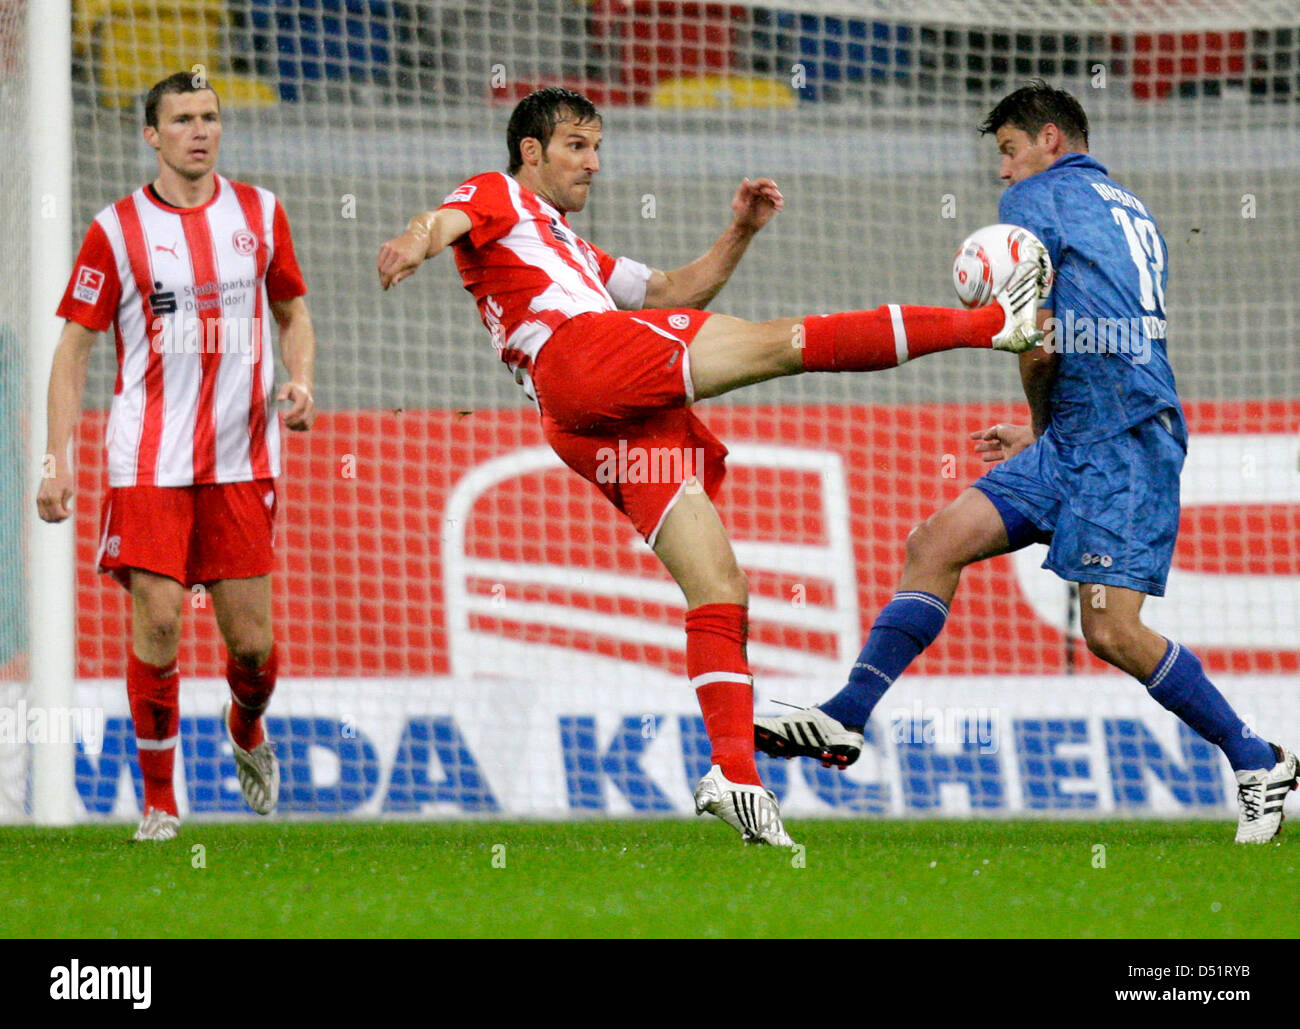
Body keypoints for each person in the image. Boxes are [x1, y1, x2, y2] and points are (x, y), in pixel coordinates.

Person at [377, 86, 1047, 847]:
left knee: (720, 586)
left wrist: (739, 232)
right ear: (531, 153)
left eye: (597, 147)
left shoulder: (567, 247)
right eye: (575, 146)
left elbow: (666, 290)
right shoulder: (497, 193)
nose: (592, 163)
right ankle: (996, 321)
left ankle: (734, 772)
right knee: (782, 342)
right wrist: (413, 241)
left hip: (583, 417)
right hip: (583, 357)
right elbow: (445, 219)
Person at [755, 80, 1297, 844]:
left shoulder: (1033, 203)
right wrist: (1048, 433)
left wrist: (1041, 423)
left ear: (1049, 139)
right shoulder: (1131, 209)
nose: (1003, 171)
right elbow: (1097, 330)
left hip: (1122, 440)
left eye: (1008, 151)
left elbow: (1036, 340)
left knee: (1110, 629)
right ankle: (845, 716)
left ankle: (1256, 757)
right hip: (1091, 428)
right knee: (935, 543)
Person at [37, 72, 317, 841]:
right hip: (147, 458)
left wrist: (301, 381)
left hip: (242, 457)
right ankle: (160, 802)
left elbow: (293, 312)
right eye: (183, 119)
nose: (201, 129)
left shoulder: (260, 213)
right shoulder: (115, 228)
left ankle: (246, 725)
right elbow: (73, 349)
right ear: (150, 135)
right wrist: (54, 457)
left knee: (252, 644)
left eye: (211, 117)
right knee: (158, 620)